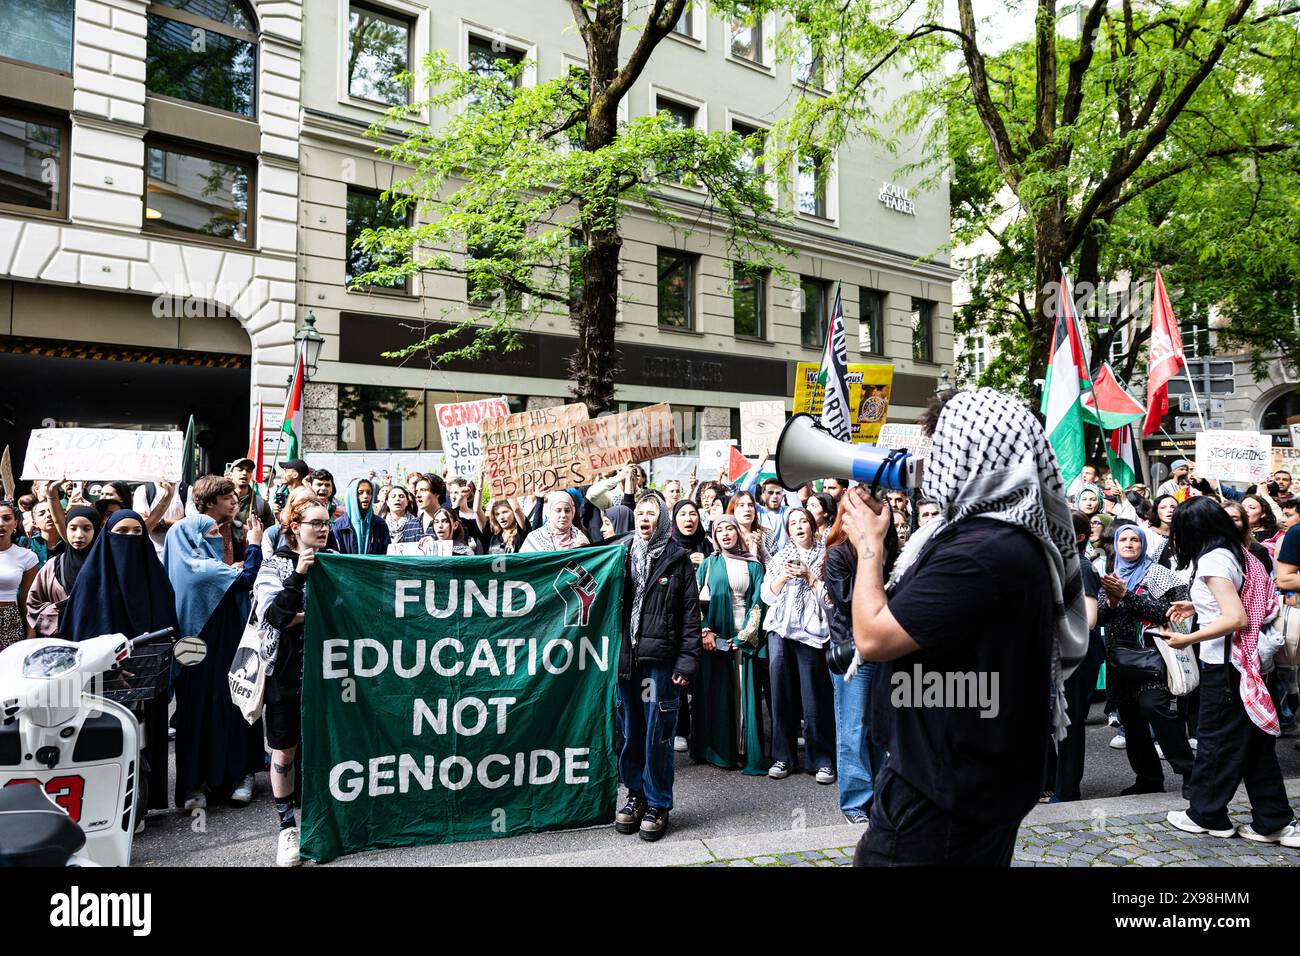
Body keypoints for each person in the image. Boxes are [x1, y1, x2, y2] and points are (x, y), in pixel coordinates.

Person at [842, 388, 1087, 867]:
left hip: (942, 790)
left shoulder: (981, 551)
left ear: (968, 455)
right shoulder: (1001, 539)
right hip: (969, 774)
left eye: (940, 450)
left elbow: (873, 637)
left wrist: (868, 548)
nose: (931, 466)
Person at [1160, 496, 1299, 845]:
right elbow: (1239, 601)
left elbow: (1236, 617)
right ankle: (1274, 820)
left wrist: (1187, 637)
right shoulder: (1238, 554)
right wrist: (1196, 604)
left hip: (1226, 666)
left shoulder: (1213, 559)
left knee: (1214, 742)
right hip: (1244, 663)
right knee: (1254, 748)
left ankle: (1206, 814)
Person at [62, 509, 181, 815]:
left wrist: (147, 667)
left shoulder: (154, 575)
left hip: (146, 678)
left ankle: (139, 805)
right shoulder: (92, 577)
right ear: (108, 536)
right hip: (101, 682)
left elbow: (167, 624)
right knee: (104, 743)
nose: (128, 539)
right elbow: (79, 630)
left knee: (143, 744)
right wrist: (108, 668)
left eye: (135, 533)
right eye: (121, 533)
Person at [613, 493, 701, 842]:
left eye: (652, 512)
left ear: (662, 519)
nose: (644, 517)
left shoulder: (677, 561)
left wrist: (686, 662)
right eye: (640, 512)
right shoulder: (619, 556)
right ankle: (635, 795)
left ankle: (658, 803)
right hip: (627, 660)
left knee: (658, 733)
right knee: (631, 730)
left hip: (661, 663)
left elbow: (690, 617)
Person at [164, 512, 266, 810]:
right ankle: (230, 776)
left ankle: (205, 782)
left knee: (201, 714)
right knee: (221, 709)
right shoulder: (202, 568)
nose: (218, 538)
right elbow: (248, 578)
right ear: (193, 540)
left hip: (193, 651)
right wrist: (254, 544)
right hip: (210, 646)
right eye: (210, 534)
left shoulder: (175, 565)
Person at [253, 498, 334, 866]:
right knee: (285, 750)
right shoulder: (275, 565)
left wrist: (305, 616)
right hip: (285, 673)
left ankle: (328, 820)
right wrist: (299, 575)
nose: (323, 529)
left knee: (326, 744)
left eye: (327, 523)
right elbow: (274, 616)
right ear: (293, 527)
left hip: (330, 671)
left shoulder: (336, 562)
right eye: (315, 523)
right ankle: (287, 827)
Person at [819, 486, 899, 823]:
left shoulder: (890, 551)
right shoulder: (838, 554)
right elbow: (853, 602)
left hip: (883, 649)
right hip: (853, 651)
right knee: (852, 728)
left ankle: (879, 795)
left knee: (878, 728)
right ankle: (855, 801)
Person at [1097, 524, 1194, 797]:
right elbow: (1100, 618)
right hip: (1120, 663)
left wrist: (1126, 595)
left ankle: (1190, 773)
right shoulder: (1113, 576)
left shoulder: (1162, 575)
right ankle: (1148, 778)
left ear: (1143, 544)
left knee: (1159, 714)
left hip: (1155, 659)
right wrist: (1113, 600)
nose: (1128, 544)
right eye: (1123, 540)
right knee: (1132, 723)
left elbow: (1171, 614)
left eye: (1134, 540)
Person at [762, 508, 835, 783]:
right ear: (788, 530)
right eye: (792, 523)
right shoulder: (780, 556)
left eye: (803, 521)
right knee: (781, 695)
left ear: (813, 525)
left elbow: (829, 601)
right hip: (779, 630)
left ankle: (822, 759)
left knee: (814, 696)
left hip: (812, 632)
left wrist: (808, 576)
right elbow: (767, 596)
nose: (798, 526)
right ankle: (783, 757)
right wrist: (783, 577)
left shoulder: (826, 555)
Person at [691, 514, 769, 775]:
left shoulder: (754, 566)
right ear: (714, 536)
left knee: (743, 696)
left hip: (743, 639)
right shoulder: (709, 564)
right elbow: (694, 602)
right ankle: (719, 750)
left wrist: (744, 636)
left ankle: (743, 750)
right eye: (719, 530)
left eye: (729, 529)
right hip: (715, 638)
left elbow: (758, 603)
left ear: (738, 532)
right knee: (718, 694)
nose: (725, 534)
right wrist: (705, 632)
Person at [1054, 511, 1102, 802]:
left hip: (1077, 655)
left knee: (1068, 725)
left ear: (1079, 537)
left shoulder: (1081, 568)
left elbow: (1091, 618)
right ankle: (1052, 782)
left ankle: (1067, 789)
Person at [25, 505, 98, 638]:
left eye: (86, 528)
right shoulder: (54, 566)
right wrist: (57, 611)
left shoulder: (106, 565)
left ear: (97, 530)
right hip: (61, 645)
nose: (79, 535)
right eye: (73, 528)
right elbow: (33, 604)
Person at [0, 500, 39, 647]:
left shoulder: (27, 557)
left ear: (15, 524)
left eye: (7, 518)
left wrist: (31, 633)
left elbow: (27, 599)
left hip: (10, 622)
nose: (1, 523)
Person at [333, 477, 391, 555]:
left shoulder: (380, 524)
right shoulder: (339, 526)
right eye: (360, 492)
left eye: (369, 492)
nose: (365, 496)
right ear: (351, 496)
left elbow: (386, 554)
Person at [134, 478, 188, 558]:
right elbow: (144, 527)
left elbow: (191, 526)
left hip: (180, 554)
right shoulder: (143, 490)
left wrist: (161, 522)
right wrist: (178, 523)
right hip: (152, 554)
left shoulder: (187, 490)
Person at [229, 458, 274, 552]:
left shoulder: (261, 504)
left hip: (250, 554)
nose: (244, 473)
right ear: (231, 474)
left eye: (248, 471)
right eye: (240, 469)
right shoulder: (220, 500)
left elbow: (269, 534)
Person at [520, 492, 590, 552]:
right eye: (558, 511)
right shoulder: (535, 539)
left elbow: (590, 564)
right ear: (549, 512)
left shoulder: (580, 537)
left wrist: (583, 550)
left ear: (573, 512)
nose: (563, 515)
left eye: (567, 511)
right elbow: (524, 564)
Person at [727, 490, 770, 566]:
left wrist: (762, 550)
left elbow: (776, 569)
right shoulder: (727, 536)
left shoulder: (767, 534)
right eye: (741, 505)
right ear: (732, 510)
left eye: (750, 505)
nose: (747, 509)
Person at [447, 476, 489, 553]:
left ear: (466, 493)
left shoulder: (475, 514)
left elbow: (478, 511)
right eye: (451, 493)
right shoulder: (445, 514)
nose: (453, 496)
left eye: (456, 492)